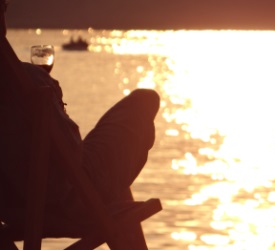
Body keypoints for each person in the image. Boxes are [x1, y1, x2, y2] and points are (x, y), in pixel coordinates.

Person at [0, 0, 160, 229]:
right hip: (65, 202)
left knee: (111, 163)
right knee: (145, 100)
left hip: (11, 209)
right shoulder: (27, 80)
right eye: (4, 6)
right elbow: (72, 151)